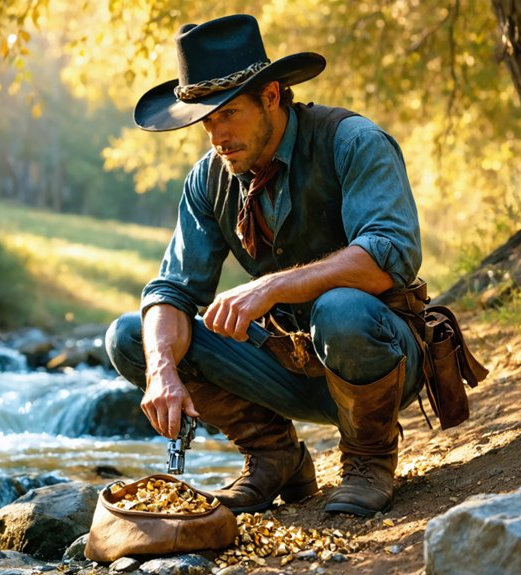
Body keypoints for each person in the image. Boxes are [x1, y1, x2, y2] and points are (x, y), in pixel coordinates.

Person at [105, 13, 423, 517]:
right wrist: (163, 369)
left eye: (228, 114)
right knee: (133, 337)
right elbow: (172, 290)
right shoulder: (209, 180)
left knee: (340, 309)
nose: (217, 135)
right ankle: (275, 457)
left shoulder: (353, 141)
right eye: (206, 121)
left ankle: (369, 460)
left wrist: (272, 288)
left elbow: (390, 255)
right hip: (284, 366)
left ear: (271, 96)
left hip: (378, 355)